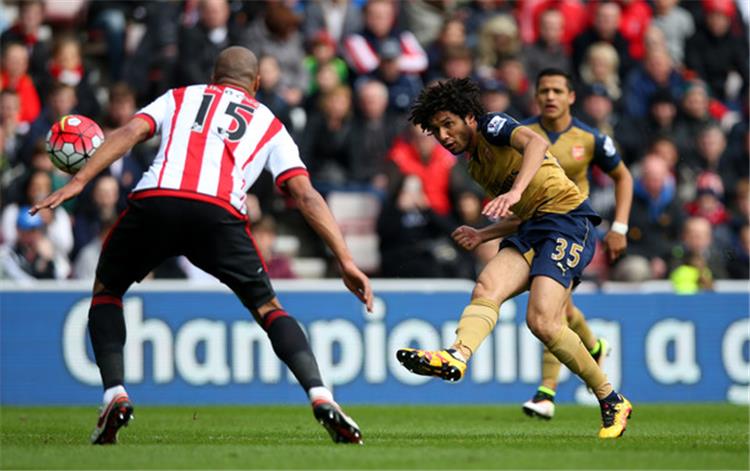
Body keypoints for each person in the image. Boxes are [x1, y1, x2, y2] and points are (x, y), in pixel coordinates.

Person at [30, 46, 372, 446]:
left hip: (157, 200)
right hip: (218, 214)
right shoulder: (270, 123)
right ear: (256, 83)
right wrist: (345, 259)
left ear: (214, 77)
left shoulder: (181, 96)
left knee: (107, 291)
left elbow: (129, 132)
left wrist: (78, 181)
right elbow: (305, 194)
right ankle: (321, 395)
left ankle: (114, 394)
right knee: (268, 309)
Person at [395, 78, 632, 439]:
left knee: (542, 321)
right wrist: (483, 234)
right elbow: (521, 213)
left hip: (567, 221)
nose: (443, 136)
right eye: (436, 130)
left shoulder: (493, 124)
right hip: (534, 227)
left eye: (448, 124)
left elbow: (536, 143)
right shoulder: (475, 165)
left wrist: (516, 190)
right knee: (486, 286)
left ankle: (611, 399)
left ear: (469, 117)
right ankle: (457, 354)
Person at [518, 68, 633, 420]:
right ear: (536, 97)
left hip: (572, 230)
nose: (550, 97)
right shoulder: (522, 135)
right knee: (562, 311)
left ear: (571, 97)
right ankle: (594, 347)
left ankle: (546, 391)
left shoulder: (590, 138)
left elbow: (623, 177)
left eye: (557, 90)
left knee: (550, 311)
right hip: (534, 228)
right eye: (544, 91)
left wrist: (620, 226)